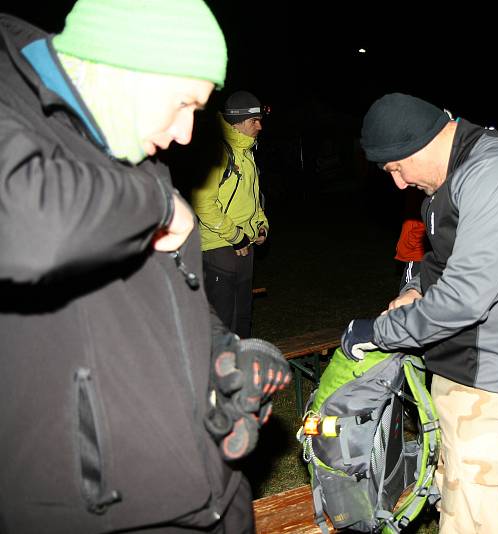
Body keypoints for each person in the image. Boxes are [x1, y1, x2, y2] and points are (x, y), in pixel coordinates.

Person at [0, 1, 289, 532]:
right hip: (103, 512)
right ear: (121, 65)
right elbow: (28, 228)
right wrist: (158, 202)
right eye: (183, 103)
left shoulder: (128, 154)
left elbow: (158, 299)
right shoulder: (17, 115)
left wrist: (224, 356)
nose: (184, 134)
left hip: (209, 497)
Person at [341, 93, 498, 534]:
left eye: (396, 169)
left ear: (420, 144)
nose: (399, 184)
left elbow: (465, 297)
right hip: (464, 373)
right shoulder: (452, 177)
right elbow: (441, 262)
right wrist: (414, 288)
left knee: (481, 523)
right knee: (456, 510)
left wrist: (381, 331)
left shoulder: (495, 171)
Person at [191, 90, 269, 338]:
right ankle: (218, 375)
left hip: (245, 245)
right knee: (223, 321)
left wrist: (260, 226)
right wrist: (235, 235)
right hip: (219, 247)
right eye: (253, 121)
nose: (259, 126)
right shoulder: (220, 151)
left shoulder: (246, 153)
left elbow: (254, 200)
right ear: (238, 122)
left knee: (243, 316)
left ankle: (242, 371)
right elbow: (203, 203)